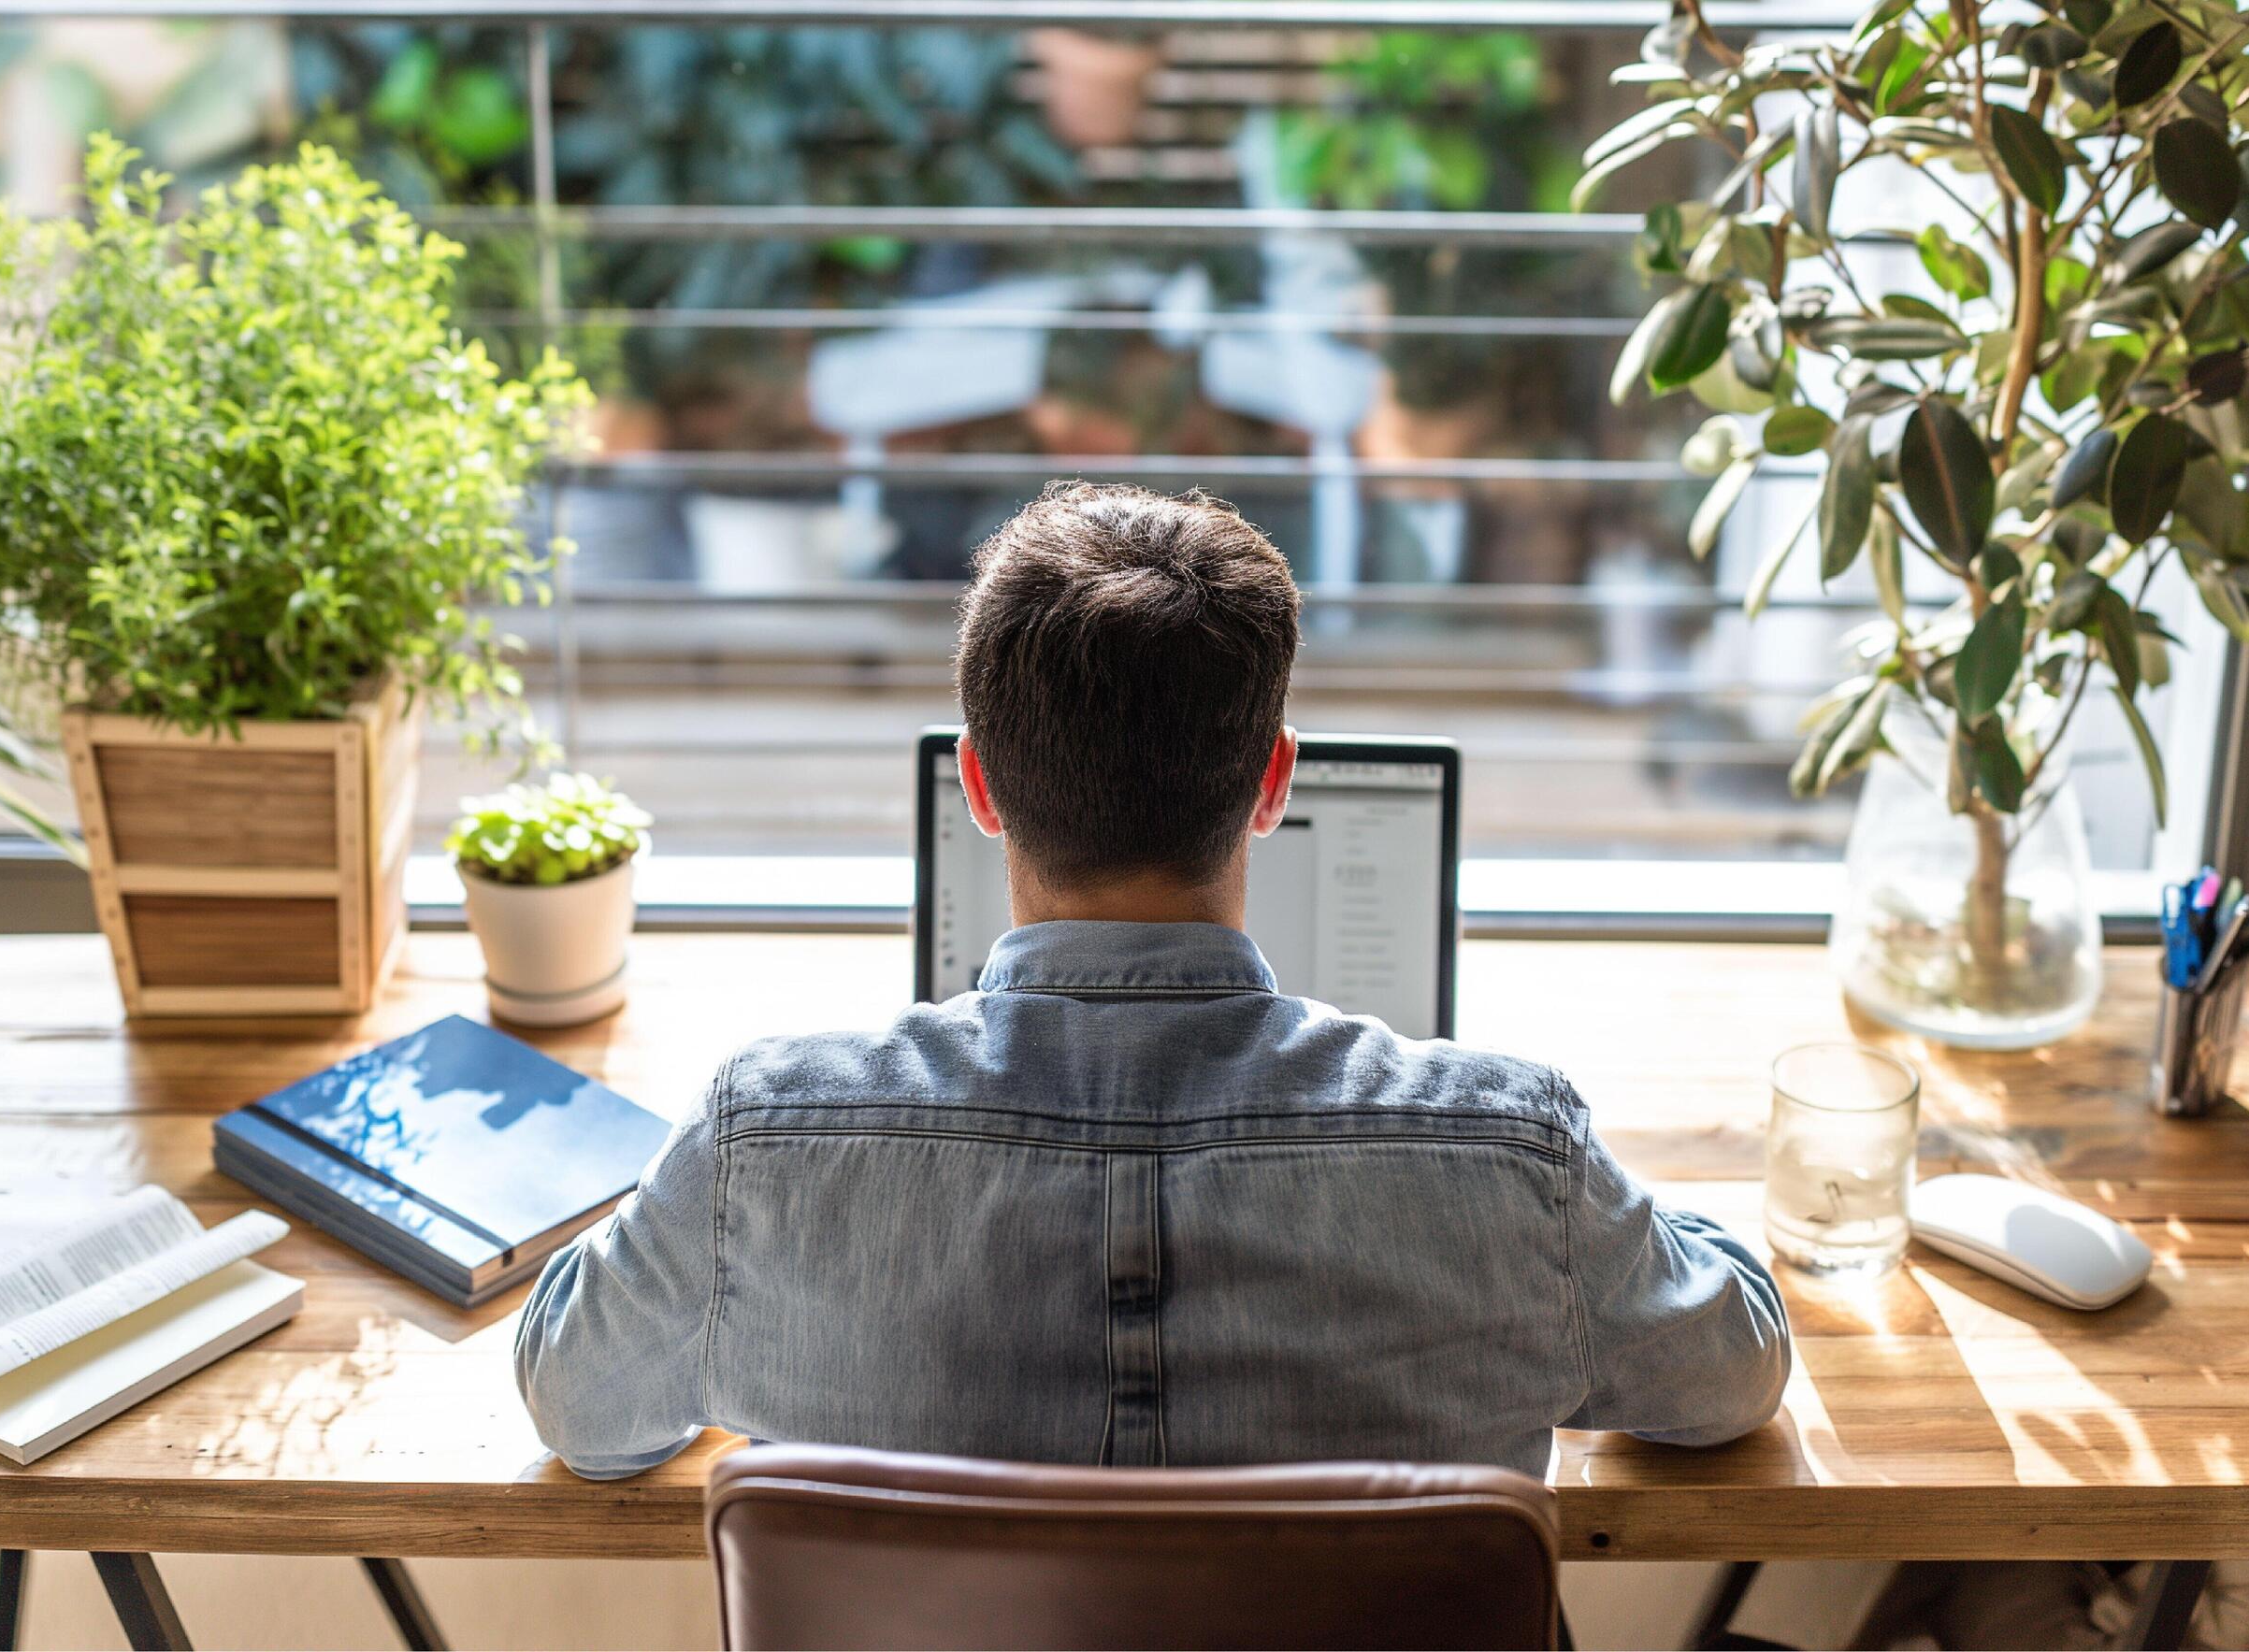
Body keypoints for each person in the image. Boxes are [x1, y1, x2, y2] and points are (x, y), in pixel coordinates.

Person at [515, 483, 1789, 1477]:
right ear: (1276, 782)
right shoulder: (1511, 1155)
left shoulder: (769, 1146)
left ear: (979, 786)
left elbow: (584, 1407)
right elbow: (1728, 1379)